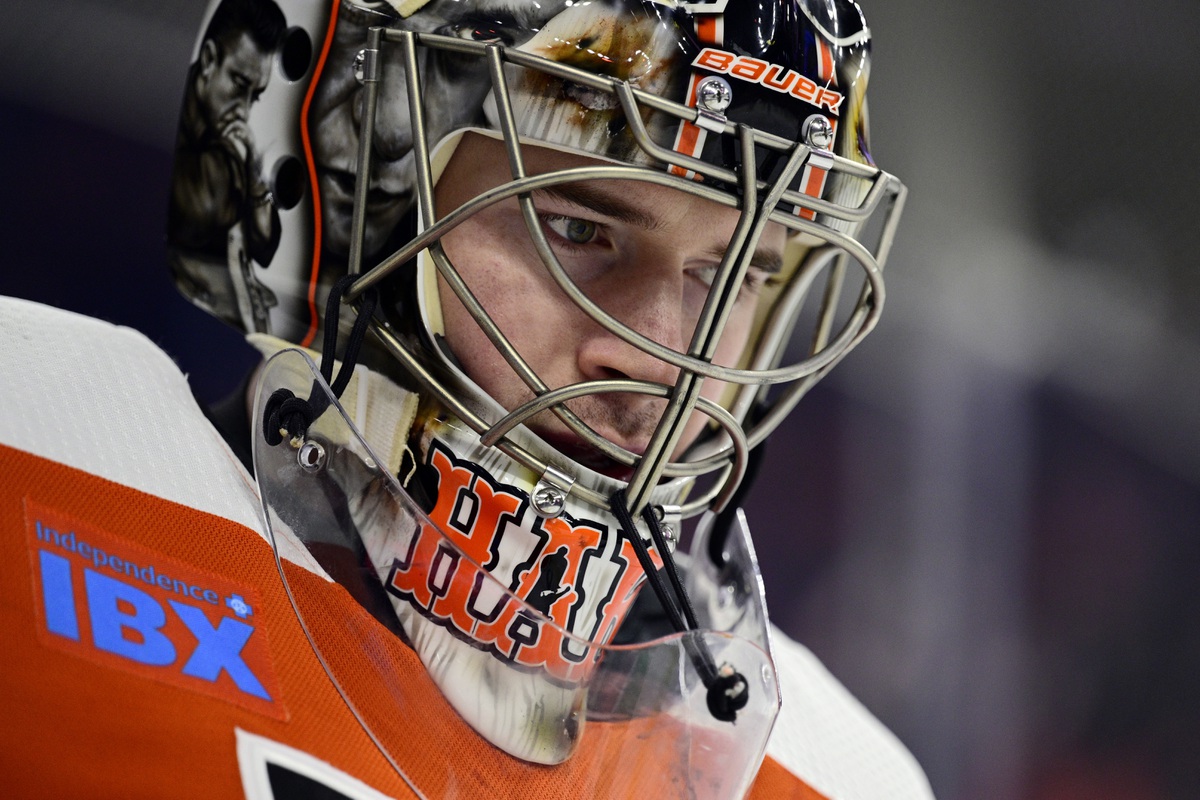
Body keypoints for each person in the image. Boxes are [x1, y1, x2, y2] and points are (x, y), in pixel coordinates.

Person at [0, 0, 931, 797]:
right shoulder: (34, 451)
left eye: (731, 272)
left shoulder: (832, 775)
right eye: (577, 226)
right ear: (351, 198)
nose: (660, 358)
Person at [167, 0, 286, 332]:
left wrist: (256, 180)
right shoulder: (173, 122)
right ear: (208, 60)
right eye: (238, 84)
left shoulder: (232, 137)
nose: (245, 109)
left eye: (256, 95)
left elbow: (265, 248)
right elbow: (206, 211)